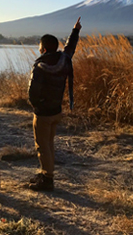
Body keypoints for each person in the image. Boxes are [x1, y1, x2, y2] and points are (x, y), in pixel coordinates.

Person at [28, 17, 82, 191]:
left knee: (42, 145)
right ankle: (45, 173)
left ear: (43, 49)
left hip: (43, 113)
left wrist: (37, 106)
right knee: (49, 143)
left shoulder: (40, 67)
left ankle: (47, 179)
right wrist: (75, 30)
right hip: (56, 110)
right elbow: (70, 48)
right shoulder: (64, 60)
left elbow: (32, 93)